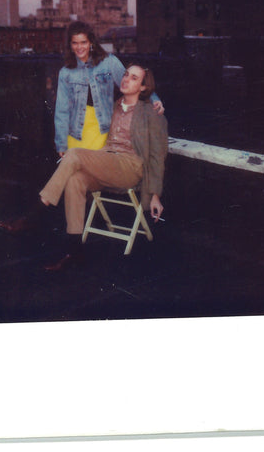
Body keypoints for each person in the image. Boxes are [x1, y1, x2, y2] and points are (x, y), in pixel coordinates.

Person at [18, 64, 168, 271]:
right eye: (125, 75)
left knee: (76, 154)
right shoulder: (114, 106)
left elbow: (157, 157)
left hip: (130, 167)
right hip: (107, 162)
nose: (126, 79)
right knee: (74, 179)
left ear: (143, 87)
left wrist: (155, 195)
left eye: (134, 78)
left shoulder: (152, 114)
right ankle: (74, 252)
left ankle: (34, 213)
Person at [54, 21, 163, 157]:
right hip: (76, 132)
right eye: (75, 43)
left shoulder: (109, 62)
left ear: (91, 43)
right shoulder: (66, 72)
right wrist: (61, 143)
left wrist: (154, 100)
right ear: (70, 45)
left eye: (83, 42)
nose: (79, 47)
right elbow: (61, 111)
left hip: (102, 129)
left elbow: (131, 83)